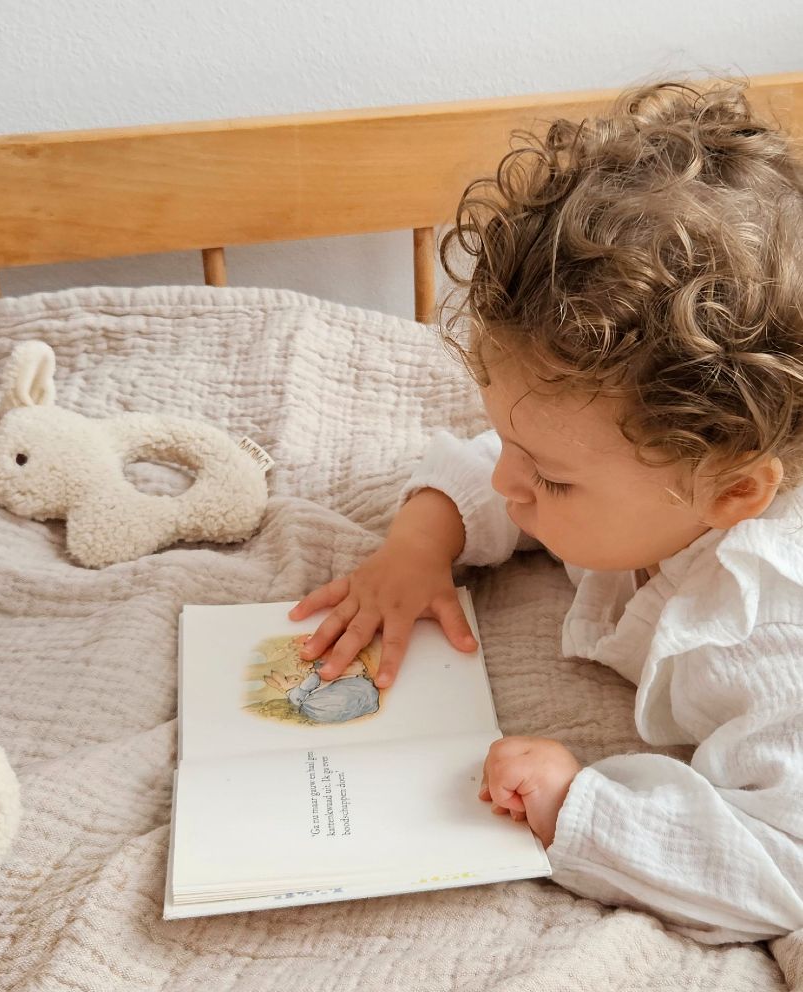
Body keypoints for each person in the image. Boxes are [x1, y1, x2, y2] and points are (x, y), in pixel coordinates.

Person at [288, 79, 803, 943]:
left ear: (733, 492)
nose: (508, 489)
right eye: (510, 444)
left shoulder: (764, 642)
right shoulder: (632, 477)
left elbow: (780, 866)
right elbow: (490, 463)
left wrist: (580, 805)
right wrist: (418, 543)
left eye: (553, 482)